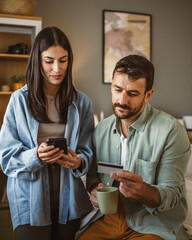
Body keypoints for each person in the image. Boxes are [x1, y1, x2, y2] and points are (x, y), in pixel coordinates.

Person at [76, 55, 191, 240]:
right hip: (110, 218)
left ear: (148, 95)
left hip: (153, 223)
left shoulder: (172, 131)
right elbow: (93, 175)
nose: (122, 100)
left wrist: (143, 191)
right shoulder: (101, 130)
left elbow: (172, 196)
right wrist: (94, 190)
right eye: (117, 89)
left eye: (132, 93)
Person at [0, 26, 94, 240]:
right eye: (49, 60)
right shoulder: (18, 100)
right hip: (29, 195)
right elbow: (6, 157)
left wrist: (78, 162)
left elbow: (88, 151)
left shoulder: (82, 102)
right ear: (37, 60)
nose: (57, 68)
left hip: (69, 195)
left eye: (63, 60)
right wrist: (36, 156)